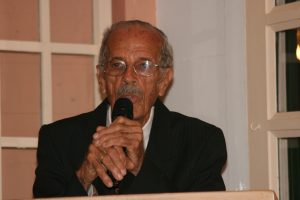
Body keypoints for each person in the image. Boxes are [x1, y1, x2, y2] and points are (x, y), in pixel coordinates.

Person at [33, 20, 227, 197]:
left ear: (164, 81)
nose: (128, 77)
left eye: (143, 65)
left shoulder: (201, 141)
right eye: (117, 65)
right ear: (102, 78)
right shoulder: (58, 139)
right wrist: (83, 177)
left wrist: (142, 167)